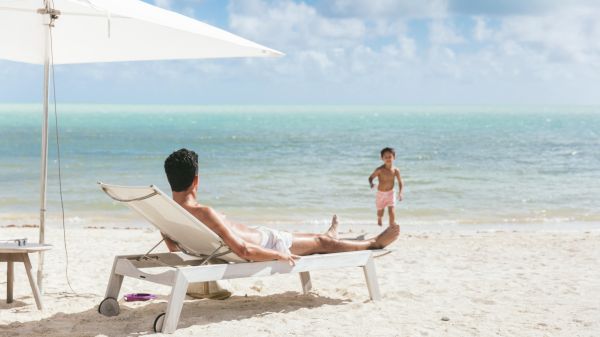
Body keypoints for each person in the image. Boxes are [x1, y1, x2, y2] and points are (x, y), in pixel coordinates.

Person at [163, 148, 399, 266]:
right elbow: (244, 251)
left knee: (317, 239)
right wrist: (279, 255)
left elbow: (177, 251)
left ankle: (329, 234)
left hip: (260, 236)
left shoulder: (167, 215)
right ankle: (372, 243)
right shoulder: (204, 212)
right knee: (321, 244)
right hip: (267, 244)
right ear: (196, 180)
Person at [368, 147, 404, 227]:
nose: (388, 159)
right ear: (382, 158)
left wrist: (400, 192)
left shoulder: (396, 170)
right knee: (380, 212)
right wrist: (371, 184)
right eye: (385, 157)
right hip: (381, 193)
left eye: (390, 157)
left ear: (394, 157)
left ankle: (391, 225)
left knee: (391, 210)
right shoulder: (379, 170)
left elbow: (400, 181)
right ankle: (379, 218)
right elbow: (370, 177)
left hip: (391, 193)